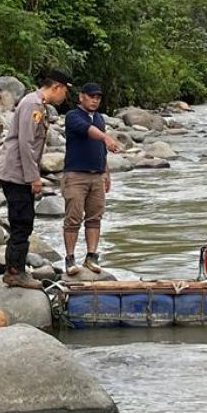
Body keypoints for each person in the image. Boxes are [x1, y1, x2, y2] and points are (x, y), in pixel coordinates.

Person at [0, 70, 71, 289]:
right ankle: (14, 272)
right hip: (17, 175)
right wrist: (33, 178)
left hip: (18, 174)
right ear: (56, 87)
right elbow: (26, 144)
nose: (64, 96)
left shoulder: (38, 105)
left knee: (23, 221)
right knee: (22, 221)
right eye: (64, 91)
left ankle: (16, 268)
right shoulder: (33, 105)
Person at [62, 82, 122, 275]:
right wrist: (106, 137)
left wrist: (106, 172)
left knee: (95, 218)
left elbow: (100, 150)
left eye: (98, 97)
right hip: (76, 175)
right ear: (81, 97)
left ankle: (91, 257)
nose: (95, 100)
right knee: (73, 218)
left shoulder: (99, 119)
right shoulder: (73, 116)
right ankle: (70, 260)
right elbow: (88, 131)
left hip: (97, 175)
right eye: (91, 96)